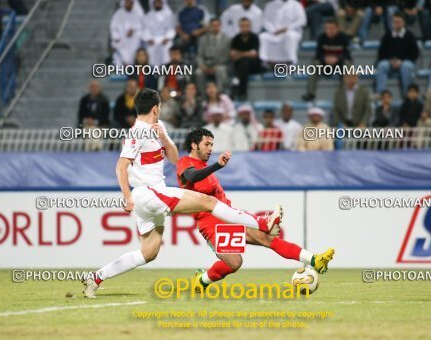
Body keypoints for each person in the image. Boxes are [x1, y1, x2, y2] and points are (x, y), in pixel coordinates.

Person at [82, 89, 282, 298]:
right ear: (156, 108)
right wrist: (127, 197)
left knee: (148, 253)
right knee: (208, 201)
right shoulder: (137, 131)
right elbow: (121, 166)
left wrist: (165, 138)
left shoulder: (156, 130)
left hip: (150, 198)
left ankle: (95, 277)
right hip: (150, 193)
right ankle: (263, 223)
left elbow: (175, 158)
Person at [176, 128, 335, 291]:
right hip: (210, 224)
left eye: (212, 144)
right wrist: (218, 165)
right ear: (194, 145)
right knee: (234, 263)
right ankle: (202, 281)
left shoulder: (204, 167)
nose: (211, 148)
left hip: (228, 218)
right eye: (207, 144)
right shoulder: (185, 163)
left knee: (268, 240)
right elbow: (192, 177)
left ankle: (315, 260)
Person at [302, 18, 352, 101]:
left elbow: (347, 55)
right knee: (315, 64)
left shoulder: (344, 38)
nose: (330, 31)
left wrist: (337, 59)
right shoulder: (321, 38)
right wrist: (325, 58)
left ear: (337, 29)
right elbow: (318, 54)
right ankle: (310, 93)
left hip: (339, 64)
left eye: (332, 28)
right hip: (325, 64)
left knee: (348, 65)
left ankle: (344, 94)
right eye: (327, 28)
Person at [376, 12, 419, 96]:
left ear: (403, 23)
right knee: (381, 66)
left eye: (398, 22)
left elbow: (415, 53)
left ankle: (407, 94)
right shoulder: (387, 35)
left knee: (406, 67)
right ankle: (380, 93)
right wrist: (390, 60)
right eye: (395, 22)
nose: (396, 24)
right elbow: (381, 53)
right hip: (390, 62)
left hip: (405, 62)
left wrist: (402, 61)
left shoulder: (409, 35)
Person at [259, 0, 306, 65]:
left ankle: (291, 61)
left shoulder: (296, 5)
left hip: (290, 31)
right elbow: (265, 21)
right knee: (263, 36)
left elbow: (302, 20)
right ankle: (266, 61)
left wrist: (287, 28)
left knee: (290, 36)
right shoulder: (270, 5)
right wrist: (273, 30)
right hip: (274, 32)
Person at [195, 18, 231, 95]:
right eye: (213, 26)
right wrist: (202, 66)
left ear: (220, 26)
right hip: (206, 65)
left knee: (220, 71)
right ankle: (203, 96)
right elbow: (199, 55)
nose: (215, 28)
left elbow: (227, 56)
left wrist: (215, 67)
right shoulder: (203, 39)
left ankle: (220, 94)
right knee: (198, 72)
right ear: (210, 27)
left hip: (220, 64)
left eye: (217, 26)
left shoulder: (227, 39)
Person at [230, 18, 261, 101]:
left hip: (254, 66)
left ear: (250, 27)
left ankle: (236, 88)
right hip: (241, 67)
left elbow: (254, 54)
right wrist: (246, 54)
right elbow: (232, 55)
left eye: (246, 26)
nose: (245, 28)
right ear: (239, 27)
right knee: (243, 64)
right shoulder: (236, 38)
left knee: (245, 61)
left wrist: (240, 54)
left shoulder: (255, 38)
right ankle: (242, 92)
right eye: (243, 26)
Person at [142, 0, 176, 67]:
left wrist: (167, 38)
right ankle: (153, 71)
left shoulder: (169, 14)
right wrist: (149, 38)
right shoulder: (148, 16)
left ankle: (166, 70)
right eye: (155, 2)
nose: (157, 4)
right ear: (152, 3)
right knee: (150, 49)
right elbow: (145, 30)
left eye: (159, 2)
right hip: (152, 39)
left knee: (166, 49)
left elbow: (171, 29)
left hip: (165, 39)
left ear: (162, 3)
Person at [110, 0, 143, 66]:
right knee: (118, 52)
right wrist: (116, 37)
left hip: (134, 41)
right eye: (127, 2)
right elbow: (113, 28)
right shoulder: (118, 14)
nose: (128, 4)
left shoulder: (138, 14)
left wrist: (133, 32)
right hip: (121, 40)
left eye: (130, 3)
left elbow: (142, 28)